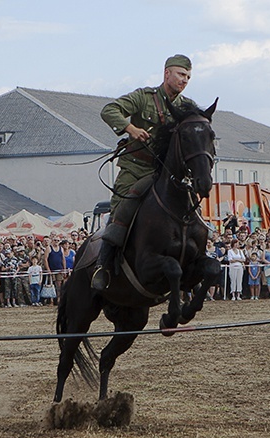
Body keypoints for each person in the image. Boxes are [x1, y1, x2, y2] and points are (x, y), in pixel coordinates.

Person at [92, 54, 196, 290]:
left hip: (166, 172)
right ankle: (103, 266)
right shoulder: (144, 98)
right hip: (137, 167)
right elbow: (110, 110)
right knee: (121, 208)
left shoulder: (185, 107)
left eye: (188, 77)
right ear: (166, 73)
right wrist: (130, 128)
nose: (185, 80)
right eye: (181, 74)